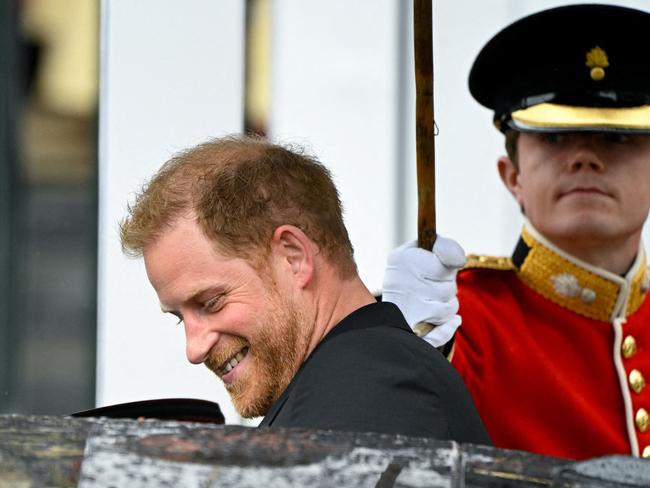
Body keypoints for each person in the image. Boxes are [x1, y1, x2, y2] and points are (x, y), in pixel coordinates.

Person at [383, 3, 650, 459]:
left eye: (616, 138)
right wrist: (392, 342)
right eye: (555, 138)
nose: (585, 158)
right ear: (513, 176)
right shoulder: (455, 323)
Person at [119, 135, 489, 443]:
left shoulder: (372, 391)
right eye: (180, 319)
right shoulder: (350, 383)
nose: (194, 349)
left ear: (293, 257)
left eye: (212, 302)